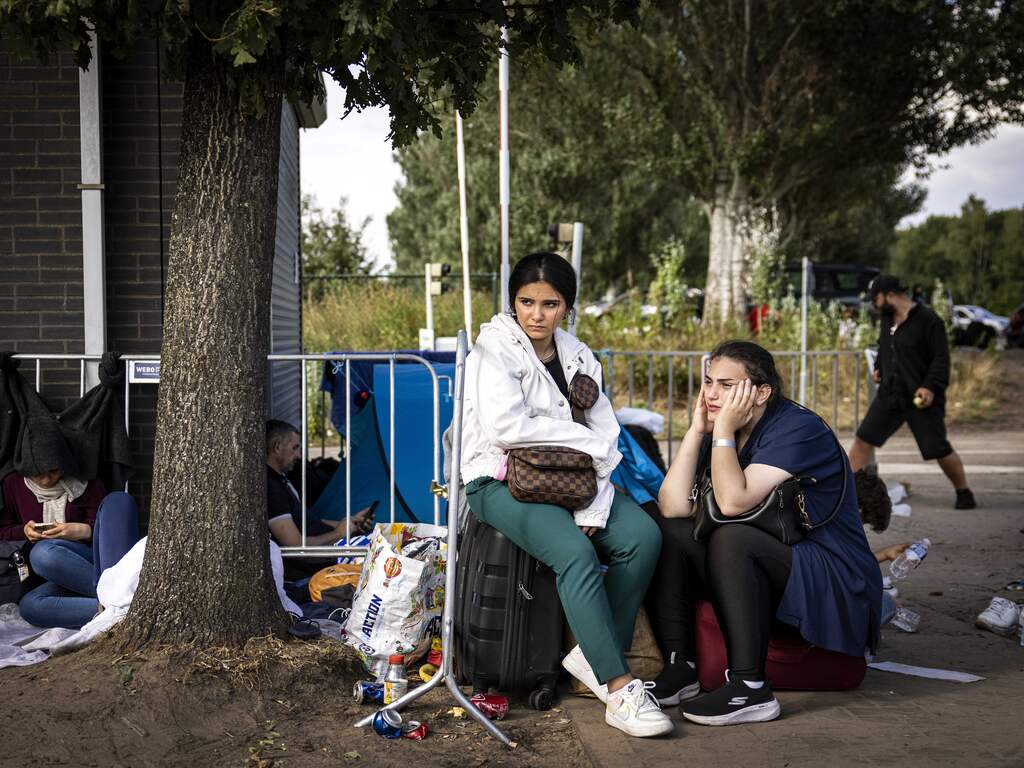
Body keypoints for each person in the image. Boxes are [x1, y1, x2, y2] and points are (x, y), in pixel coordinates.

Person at [460, 252, 672, 738]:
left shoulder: (579, 355)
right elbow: (508, 428)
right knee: (575, 553)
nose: (536, 314)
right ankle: (619, 688)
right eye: (525, 302)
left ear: (567, 307)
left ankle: (592, 655)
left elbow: (607, 431)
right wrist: (586, 443)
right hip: (500, 479)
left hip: (575, 479)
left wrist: (596, 503)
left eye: (550, 304)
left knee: (643, 537)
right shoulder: (492, 351)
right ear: (512, 303)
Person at [648, 340, 880, 726]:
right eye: (708, 382)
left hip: (831, 574)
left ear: (761, 392)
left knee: (732, 536)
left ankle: (750, 688)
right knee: (669, 530)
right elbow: (673, 507)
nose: (712, 394)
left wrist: (720, 430)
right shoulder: (728, 429)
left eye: (726, 385)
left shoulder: (798, 428)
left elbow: (733, 503)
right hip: (775, 564)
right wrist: (696, 431)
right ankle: (681, 666)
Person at [848, 275, 976, 509]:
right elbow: (884, 347)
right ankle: (844, 495)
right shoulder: (887, 320)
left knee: (937, 448)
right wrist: (879, 368)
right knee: (863, 440)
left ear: (889, 295)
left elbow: (940, 359)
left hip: (920, 398)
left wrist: (929, 386)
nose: (874, 305)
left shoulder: (929, 321)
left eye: (875, 299)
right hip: (890, 395)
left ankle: (964, 491)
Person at [0, 418, 139, 629]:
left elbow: (109, 533)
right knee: (30, 604)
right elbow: (3, 530)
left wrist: (80, 531)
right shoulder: (13, 484)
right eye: (39, 474)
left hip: (95, 562)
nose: (46, 480)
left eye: (54, 471)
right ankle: (123, 607)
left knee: (118, 501)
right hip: (58, 572)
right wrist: (24, 531)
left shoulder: (86, 482)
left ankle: (119, 599)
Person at [265, 419, 373, 548]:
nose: (299, 456)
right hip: (318, 563)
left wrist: (348, 524)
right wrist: (338, 533)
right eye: (295, 448)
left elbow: (308, 522)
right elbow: (295, 545)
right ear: (277, 447)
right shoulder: (272, 487)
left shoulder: (281, 479)